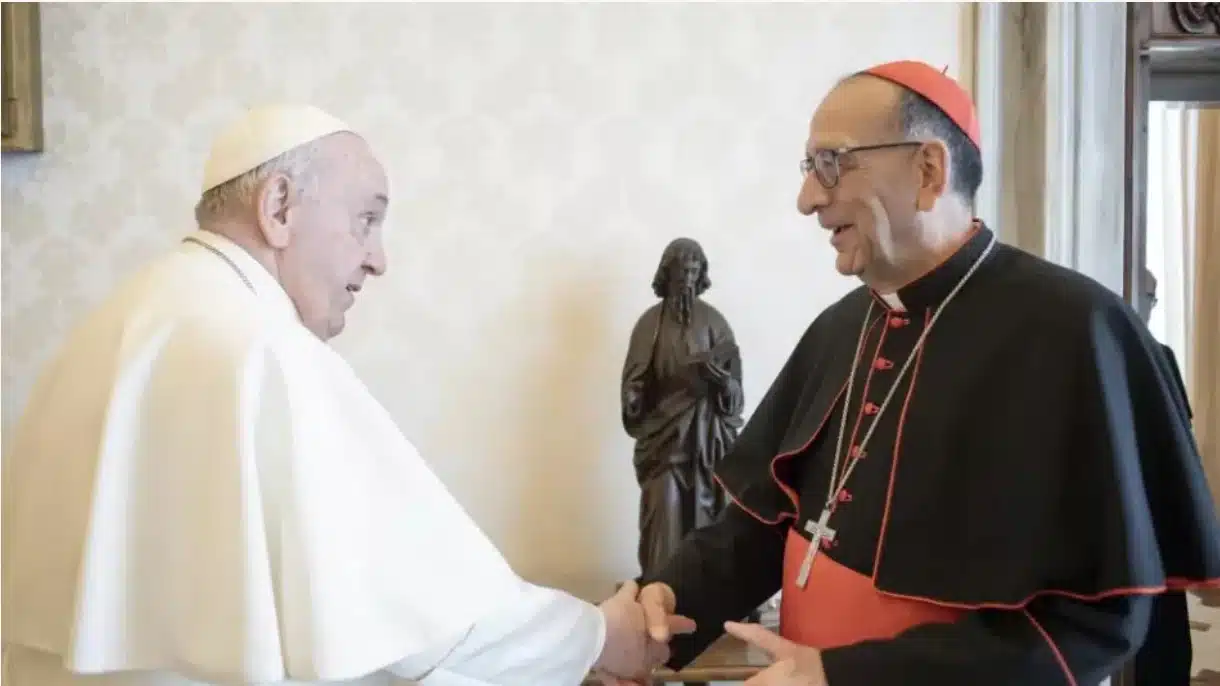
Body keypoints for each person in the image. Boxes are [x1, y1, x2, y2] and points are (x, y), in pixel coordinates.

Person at [0, 104, 691, 686]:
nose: (378, 258)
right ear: (278, 206)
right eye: (366, 219)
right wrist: (599, 637)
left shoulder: (120, 320)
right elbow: (432, 625)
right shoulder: (263, 348)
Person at [626, 61, 1220, 685]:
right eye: (808, 169)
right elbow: (761, 525)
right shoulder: (841, 327)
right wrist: (668, 601)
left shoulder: (1077, 330)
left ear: (929, 171)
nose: (808, 200)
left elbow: (1092, 626)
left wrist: (846, 676)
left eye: (831, 163)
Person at [621, 237, 744, 580]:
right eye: (681, 271)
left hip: (707, 441)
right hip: (665, 441)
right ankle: (659, 590)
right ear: (667, 274)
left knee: (709, 520)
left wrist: (721, 383)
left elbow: (735, 395)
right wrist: (633, 398)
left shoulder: (715, 324)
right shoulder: (650, 325)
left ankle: (707, 593)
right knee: (665, 516)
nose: (687, 279)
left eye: (693, 271)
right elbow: (635, 379)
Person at [1131, 267, 1196, 686]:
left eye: (1152, 297)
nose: (1147, 307)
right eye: (1143, 295)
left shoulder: (1162, 355)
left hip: (1155, 512)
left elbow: (1180, 442)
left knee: (1165, 643)